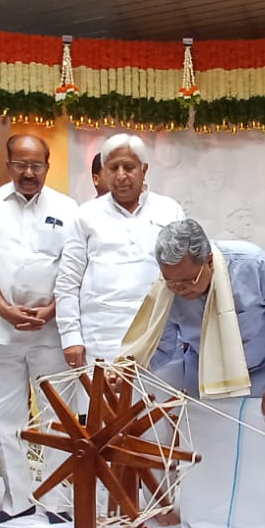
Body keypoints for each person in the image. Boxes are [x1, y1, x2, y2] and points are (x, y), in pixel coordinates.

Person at [121, 219, 265, 528]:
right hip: (208, 367)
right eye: (172, 283)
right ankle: (211, 518)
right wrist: (132, 373)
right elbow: (165, 348)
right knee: (207, 445)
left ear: (209, 260)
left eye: (187, 282)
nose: (180, 291)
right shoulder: (168, 288)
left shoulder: (251, 265)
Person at [0, 134, 79, 523]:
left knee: (56, 415)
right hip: (1, 330)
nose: (29, 173)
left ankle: (57, 501)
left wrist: (52, 310)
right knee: (4, 415)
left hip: (51, 331)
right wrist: (2, 307)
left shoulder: (68, 208)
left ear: (48, 167)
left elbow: (72, 266)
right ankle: (17, 500)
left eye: (36, 166)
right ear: (8, 164)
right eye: (21, 164)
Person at [56, 133, 187, 368]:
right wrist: (71, 337)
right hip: (101, 339)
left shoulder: (169, 211)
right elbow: (67, 281)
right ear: (103, 171)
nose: (121, 176)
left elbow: (186, 274)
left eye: (128, 167)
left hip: (158, 338)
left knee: (157, 405)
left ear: (144, 169)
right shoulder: (85, 215)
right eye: (113, 168)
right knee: (100, 406)